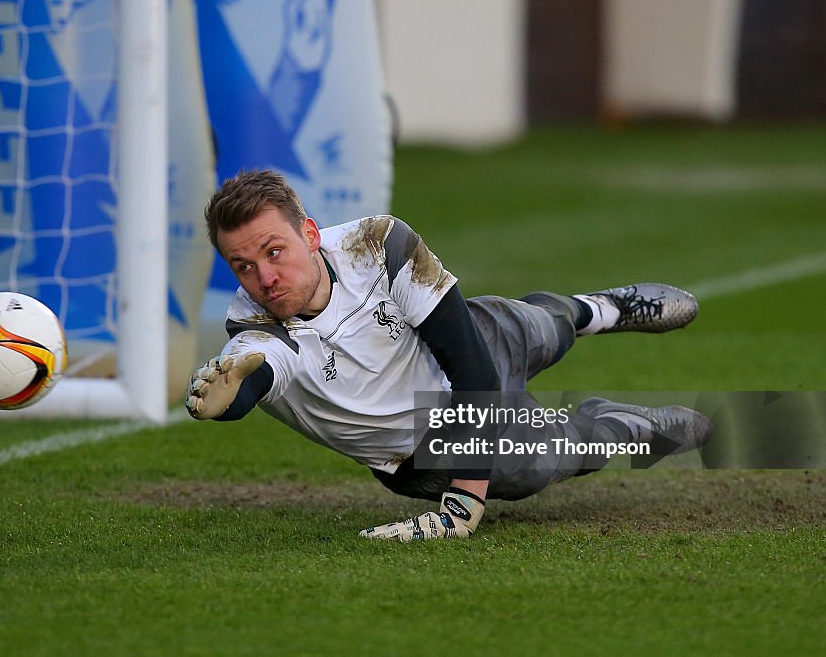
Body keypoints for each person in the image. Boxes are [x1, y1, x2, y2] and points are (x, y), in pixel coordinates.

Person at [186, 169, 713, 542]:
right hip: (423, 444)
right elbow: (251, 377)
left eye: (273, 251)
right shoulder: (255, 337)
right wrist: (228, 402)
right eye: (243, 266)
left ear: (309, 234)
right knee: (544, 460)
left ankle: (601, 309)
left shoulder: (378, 242)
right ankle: (621, 425)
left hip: (462, 354)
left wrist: (465, 502)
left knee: (534, 325)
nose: (265, 278)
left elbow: (472, 368)